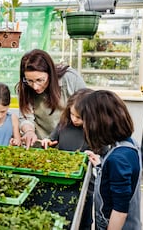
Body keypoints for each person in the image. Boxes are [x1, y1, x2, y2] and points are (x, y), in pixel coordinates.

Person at [76, 90, 142, 230]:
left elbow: (120, 212)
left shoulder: (118, 159)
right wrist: (101, 166)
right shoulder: (129, 144)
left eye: (86, 120)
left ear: (98, 123)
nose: (84, 125)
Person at [42, 88, 94, 230]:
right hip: (62, 180)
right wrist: (48, 142)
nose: (74, 119)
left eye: (79, 117)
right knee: (64, 216)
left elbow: (101, 157)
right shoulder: (64, 124)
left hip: (85, 185)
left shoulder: (95, 131)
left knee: (84, 220)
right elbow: (52, 139)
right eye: (72, 114)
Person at [16, 49, 86, 149]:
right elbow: (26, 117)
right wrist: (29, 131)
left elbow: (88, 108)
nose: (35, 86)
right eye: (29, 81)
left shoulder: (70, 79)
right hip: (42, 145)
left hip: (71, 144)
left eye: (40, 80)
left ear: (50, 73)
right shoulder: (24, 88)